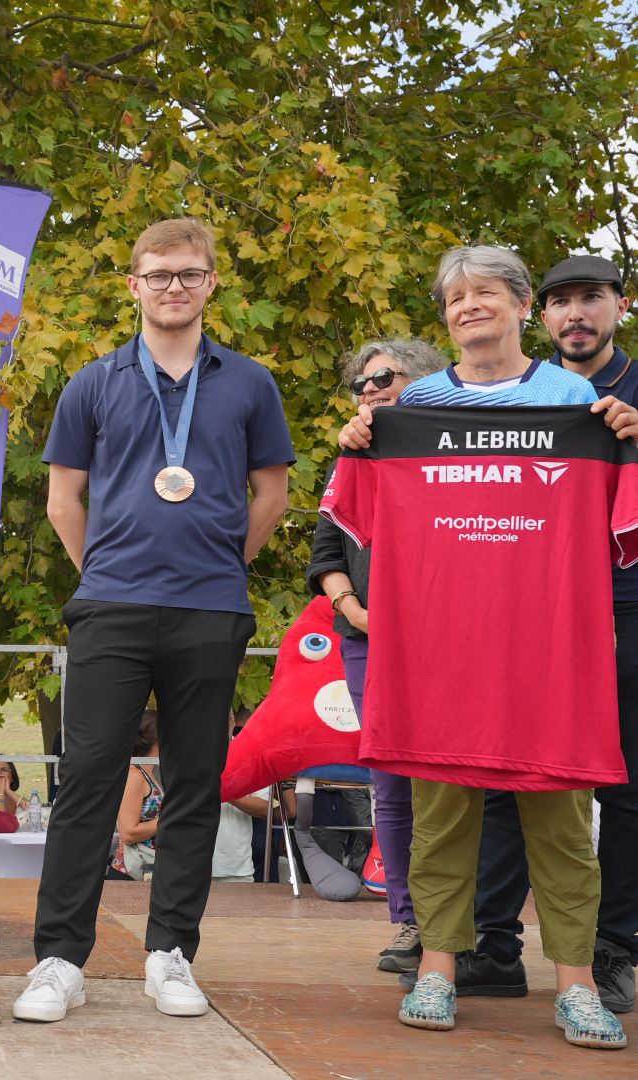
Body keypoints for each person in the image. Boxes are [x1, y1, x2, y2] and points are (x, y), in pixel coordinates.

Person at [337, 245, 633, 1049]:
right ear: (445, 315)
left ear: (519, 304)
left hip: (550, 650)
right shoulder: (418, 403)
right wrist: (363, 435)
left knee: (564, 819)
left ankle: (574, 986)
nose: (472, 306)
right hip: (445, 649)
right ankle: (437, 970)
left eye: (489, 293)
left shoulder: (575, 397)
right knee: (441, 818)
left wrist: (628, 437)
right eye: (457, 296)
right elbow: (356, 513)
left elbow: (619, 507)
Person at [20, 217, 294, 1024]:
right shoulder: (94, 382)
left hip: (210, 609)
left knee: (195, 784)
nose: (174, 286)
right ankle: (58, 960)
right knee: (88, 780)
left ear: (212, 284)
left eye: (189, 273)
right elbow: (63, 499)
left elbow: (270, 496)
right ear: (134, 286)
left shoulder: (250, 382)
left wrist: (218, 566)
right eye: (158, 274)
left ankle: (170, 953)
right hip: (111, 607)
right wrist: (102, 574)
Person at [453, 255, 637, 1014]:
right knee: (499, 770)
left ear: (619, 307)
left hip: (622, 600)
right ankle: (494, 945)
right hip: (526, 604)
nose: (575, 315)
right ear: (541, 315)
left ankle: (612, 948)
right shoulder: (513, 391)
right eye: (561, 303)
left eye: (590, 299)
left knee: (618, 779)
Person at [306, 338, 449, 969]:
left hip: (452, 640)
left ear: (424, 382)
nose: (368, 391)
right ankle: (411, 923)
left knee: (458, 781)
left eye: (381, 378)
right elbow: (326, 557)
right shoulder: (352, 457)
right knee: (392, 786)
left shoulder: (457, 448)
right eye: (360, 384)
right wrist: (353, 611)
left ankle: (474, 930)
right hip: (370, 643)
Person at [211, 715, 276, 884]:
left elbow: (264, 809)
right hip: (188, 866)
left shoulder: (249, 754)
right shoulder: (185, 751)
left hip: (234, 868)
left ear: (232, 721)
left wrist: (223, 791)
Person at [108, 714, 163, 881]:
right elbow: (128, 833)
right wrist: (171, 818)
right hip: (131, 873)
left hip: (146, 870)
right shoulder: (134, 775)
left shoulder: (149, 773)